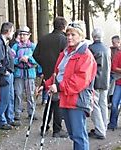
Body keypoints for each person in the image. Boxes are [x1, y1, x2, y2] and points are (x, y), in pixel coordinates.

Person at [38, 21, 97, 150]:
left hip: (78, 100)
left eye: (73, 34)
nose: (69, 37)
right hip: (65, 98)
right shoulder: (65, 53)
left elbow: (80, 80)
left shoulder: (85, 55)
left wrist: (58, 87)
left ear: (81, 36)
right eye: (68, 34)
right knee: (73, 135)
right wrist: (47, 84)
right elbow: (57, 74)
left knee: (79, 136)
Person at [33, 16, 68, 137]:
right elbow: (67, 57)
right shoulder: (64, 40)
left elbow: (35, 54)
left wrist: (44, 64)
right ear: (64, 27)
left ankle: (44, 126)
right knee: (57, 101)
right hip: (58, 73)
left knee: (50, 101)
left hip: (47, 73)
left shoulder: (43, 39)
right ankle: (57, 130)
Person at [0, 22, 21, 130]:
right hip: (4, 76)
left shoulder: (4, 42)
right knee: (3, 98)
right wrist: (4, 71)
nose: (13, 33)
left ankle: (9, 118)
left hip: (9, 73)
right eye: (12, 31)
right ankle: (2, 121)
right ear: (7, 31)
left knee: (10, 97)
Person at [88, 28, 111, 139]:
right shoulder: (107, 49)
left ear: (93, 36)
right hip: (105, 80)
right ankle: (103, 126)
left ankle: (100, 130)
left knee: (95, 106)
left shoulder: (90, 49)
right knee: (103, 104)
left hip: (95, 81)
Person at [12, 26, 37, 120]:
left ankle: (31, 112)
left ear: (29, 35)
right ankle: (17, 112)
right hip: (18, 73)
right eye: (21, 34)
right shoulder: (15, 46)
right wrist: (19, 59)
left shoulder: (33, 47)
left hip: (30, 73)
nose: (22, 36)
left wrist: (29, 59)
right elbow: (11, 60)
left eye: (24, 34)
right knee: (18, 93)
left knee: (30, 93)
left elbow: (38, 60)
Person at [108, 40, 121, 130]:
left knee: (115, 103)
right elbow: (113, 67)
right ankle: (113, 123)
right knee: (114, 104)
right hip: (119, 83)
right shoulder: (119, 54)